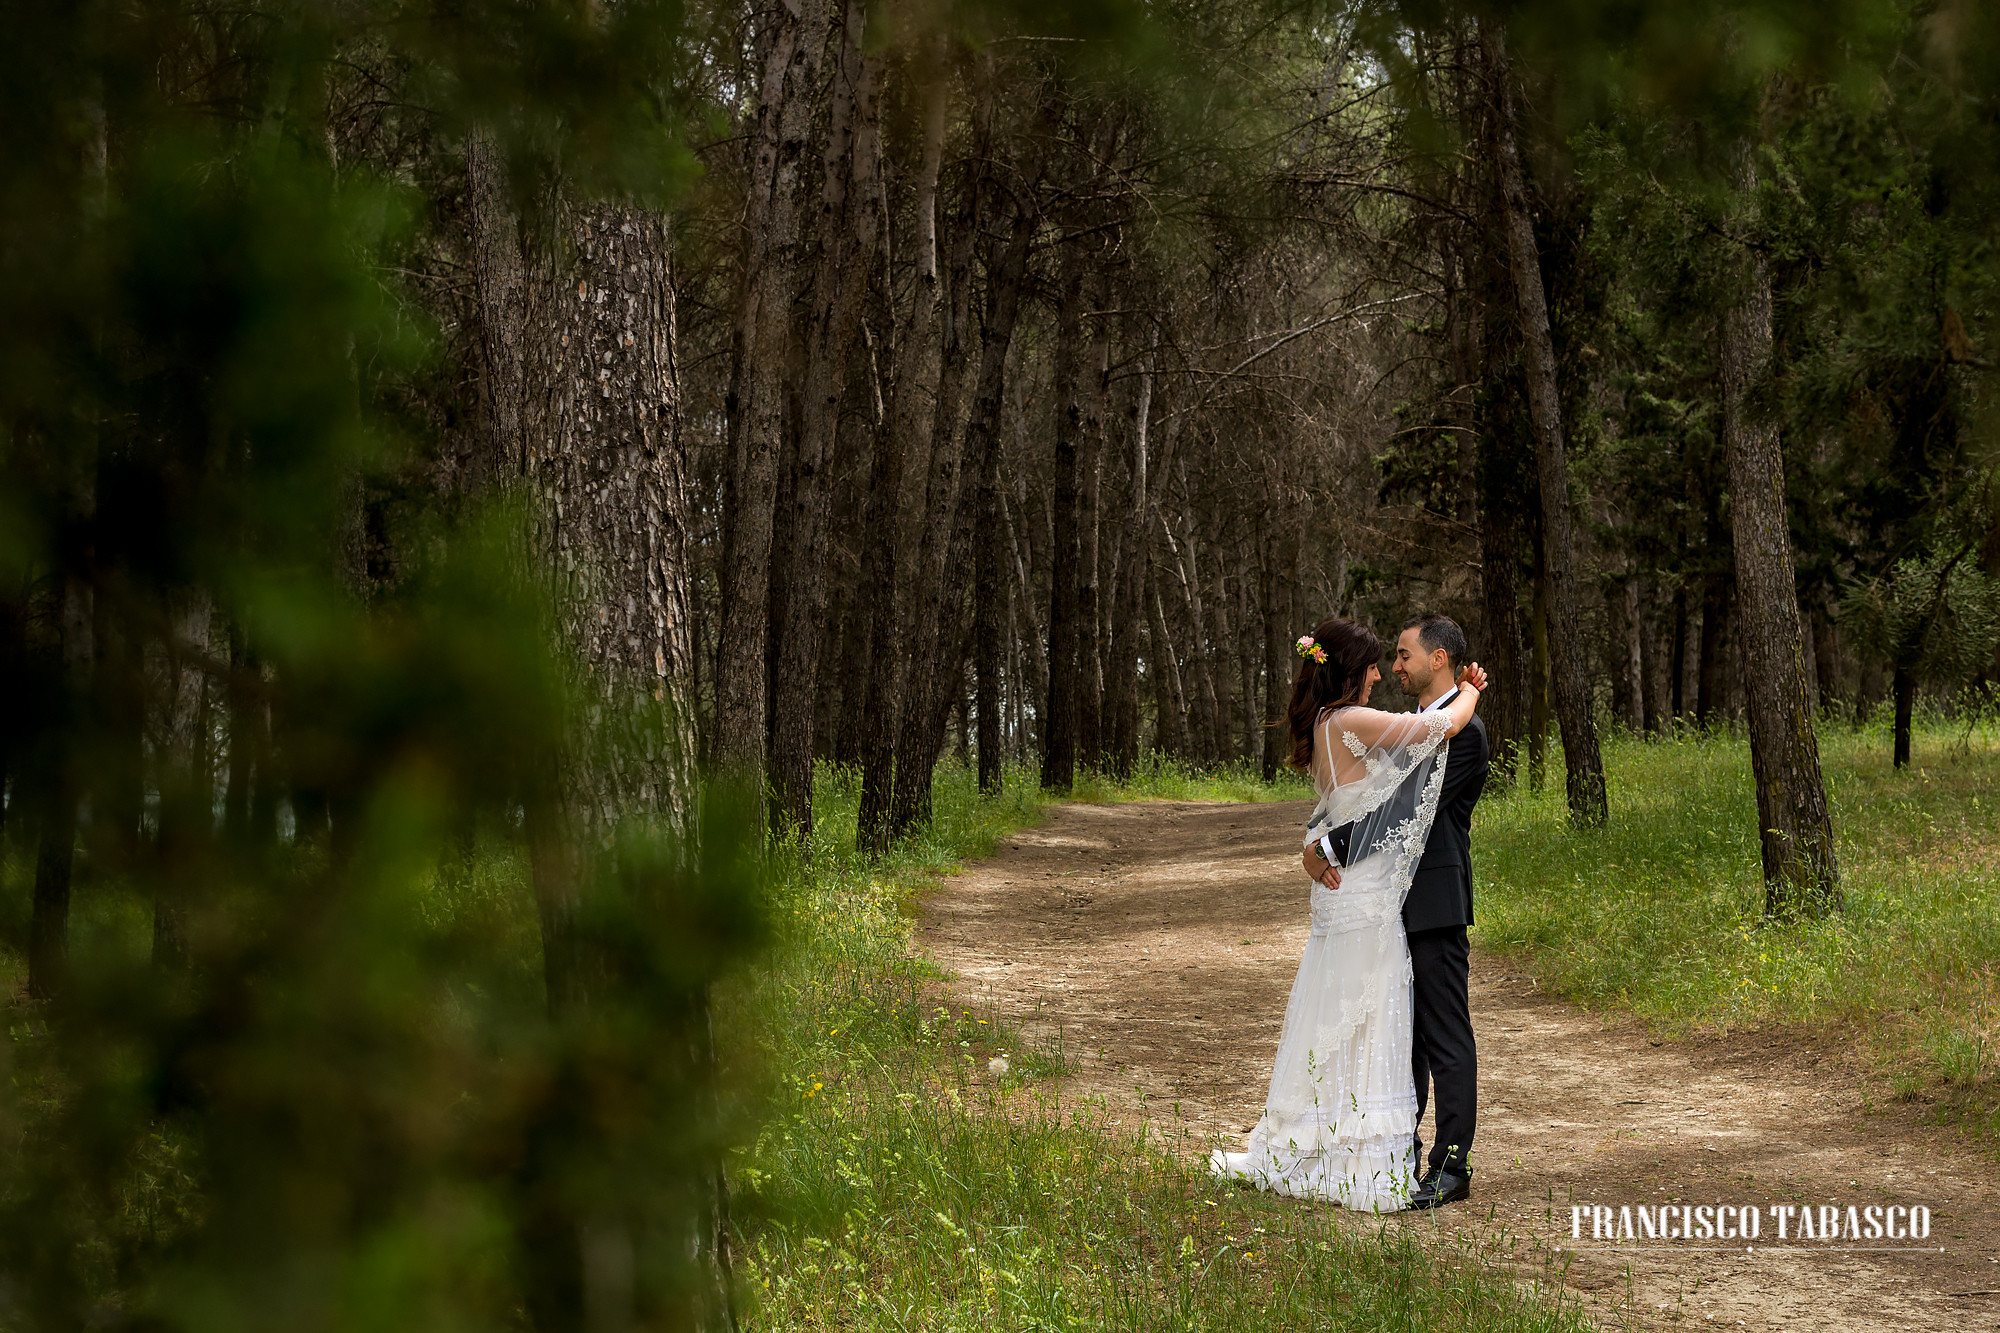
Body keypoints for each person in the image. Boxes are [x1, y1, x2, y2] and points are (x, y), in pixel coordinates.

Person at [1209, 616, 1485, 1211]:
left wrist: (1323, 848)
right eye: (1381, 662)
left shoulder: (1466, 734)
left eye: (1403, 655)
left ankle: (1451, 1166)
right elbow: (1371, 800)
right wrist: (1316, 847)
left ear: (1438, 658)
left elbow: (1402, 810)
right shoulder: (1373, 723)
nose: (1390, 669)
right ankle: (1382, 1152)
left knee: (1440, 1032)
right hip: (1376, 898)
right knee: (1389, 1030)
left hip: (1429, 900)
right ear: (1350, 671)